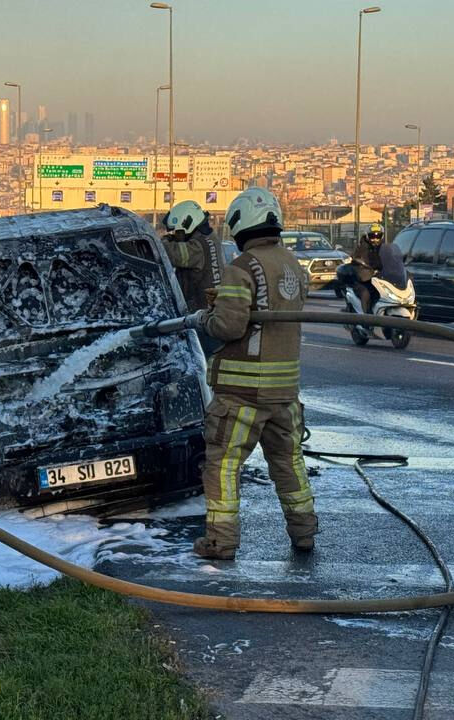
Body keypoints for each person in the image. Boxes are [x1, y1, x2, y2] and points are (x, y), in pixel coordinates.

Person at [178, 187, 317, 560]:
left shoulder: (243, 267)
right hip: (284, 392)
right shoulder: (292, 264)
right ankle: (304, 533)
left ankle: (220, 542)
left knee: (222, 465)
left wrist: (206, 317)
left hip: (243, 392)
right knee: (289, 465)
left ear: (241, 225)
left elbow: (229, 327)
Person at [160, 200, 224, 313]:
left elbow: (170, 254)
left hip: (200, 314)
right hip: (212, 309)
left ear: (187, 224)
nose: (175, 235)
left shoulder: (197, 247)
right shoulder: (209, 238)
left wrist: (163, 240)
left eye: (177, 231)